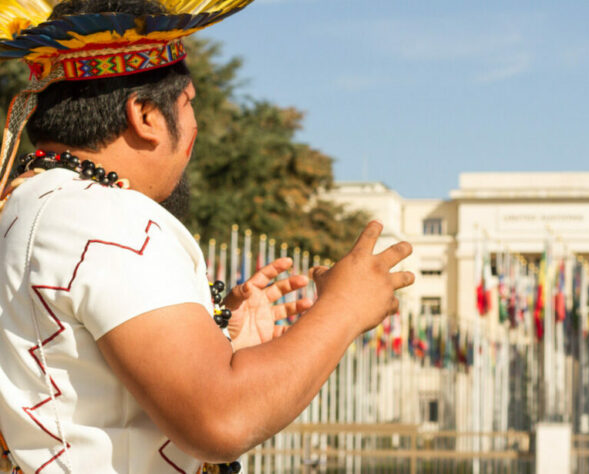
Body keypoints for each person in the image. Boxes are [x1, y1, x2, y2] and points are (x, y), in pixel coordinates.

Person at [0, 0, 414, 473]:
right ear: (145, 116)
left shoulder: (24, 204)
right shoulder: (106, 216)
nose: (195, 123)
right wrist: (346, 308)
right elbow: (220, 420)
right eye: (189, 103)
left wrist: (221, 348)